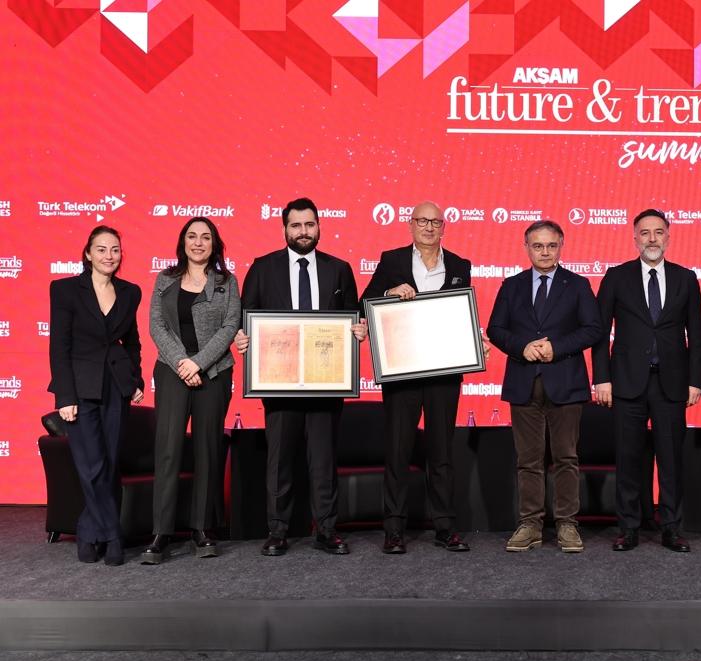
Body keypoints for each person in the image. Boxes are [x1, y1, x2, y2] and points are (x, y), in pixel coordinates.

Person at [235, 197, 366, 556]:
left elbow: (352, 317)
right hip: (279, 382)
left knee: (323, 461)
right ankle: (277, 531)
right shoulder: (263, 268)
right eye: (296, 225)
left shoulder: (339, 269)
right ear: (285, 229)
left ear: (319, 226)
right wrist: (243, 337)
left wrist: (359, 330)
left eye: (309, 224)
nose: (303, 232)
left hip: (326, 382)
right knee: (279, 461)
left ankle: (326, 530)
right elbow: (246, 317)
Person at [360, 201, 479, 554]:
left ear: (444, 227)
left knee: (441, 452)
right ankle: (394, 530)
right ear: (410, 224)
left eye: (435, 222)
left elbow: (461, 314)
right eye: (422, 221)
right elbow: (364, 301)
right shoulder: (392, 260)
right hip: (402, 370)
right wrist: (389, 293)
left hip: (444, 370)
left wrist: (475, 341)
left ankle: (445, 527)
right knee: (398, 450)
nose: (428, 227)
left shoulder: (460, 265)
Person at [593, 208, 701, 553]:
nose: (652, 239)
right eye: (645, 233)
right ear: (635, 238)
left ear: (668, 237)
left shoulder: (686, 278)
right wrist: (601, 378)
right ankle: (628, 528)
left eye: (658, 232)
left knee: (671, 459)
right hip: (626, 382)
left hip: (671, 383)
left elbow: (696, 335)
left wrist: (696, 381)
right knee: (628, 458)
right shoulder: (616, 277)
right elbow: (600, 333)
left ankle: (671, 527)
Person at [487, 220, 603, 553]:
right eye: (538, 246)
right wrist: (521, 347)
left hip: (566, 382)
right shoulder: (512, 286)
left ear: (561, 246)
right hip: (523, 381)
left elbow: (593, 329)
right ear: (526, 248)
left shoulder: (577, 285)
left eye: (551, 245)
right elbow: (496, 329)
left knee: (566, 457)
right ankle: (530, 524)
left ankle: (567, 524)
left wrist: (557, 347)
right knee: (528, 459)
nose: (545, 252)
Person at [141, 217, 241, 564]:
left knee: (207, 449)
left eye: (205, 237)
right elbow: (156, 325)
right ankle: (161, 531)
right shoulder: (165, 279)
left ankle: (202, 529)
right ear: (183, 242)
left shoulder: (227, 282)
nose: (198, 243)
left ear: (215, 245)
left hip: (214, 373)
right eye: (192, 236)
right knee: (168, 449)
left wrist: (198, 363)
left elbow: (231, 325)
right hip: (172, 371)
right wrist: (182, 363)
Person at [49, 225, 144, 566]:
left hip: (116, 386)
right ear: (88, 253)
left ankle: (88, 530)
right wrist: (65, 396)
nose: (109, 255)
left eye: (115, 249)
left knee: (110, 462)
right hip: (80, 388)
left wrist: (135, 379)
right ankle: (113, 534)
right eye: (101, 249)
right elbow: (59, 346)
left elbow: (132, 342)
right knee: (92, 465)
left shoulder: (131, 292)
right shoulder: (64, 289)